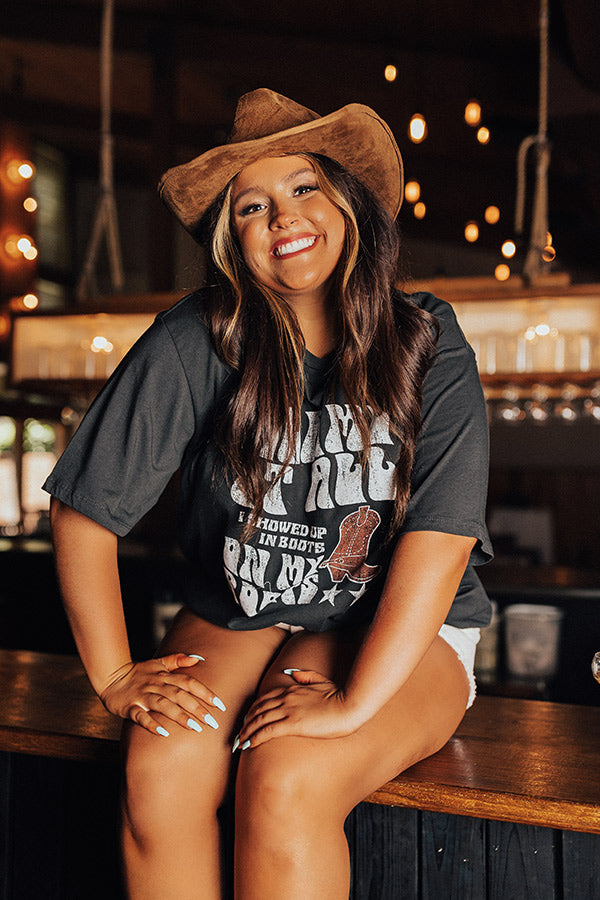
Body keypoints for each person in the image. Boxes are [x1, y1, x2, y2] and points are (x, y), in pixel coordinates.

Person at [44, 88, 493, 900]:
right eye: (252, 206)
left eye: (303, 187)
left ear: (348, 203)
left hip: (395, 624)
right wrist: (113, 676)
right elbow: (84, 508)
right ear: (233, 239)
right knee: (161, 764)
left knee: (287, 772)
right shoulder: (197, 338)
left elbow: (442, 540)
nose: (282, 216)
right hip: (242, 609)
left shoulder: (427, 341)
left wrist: (353, 703)